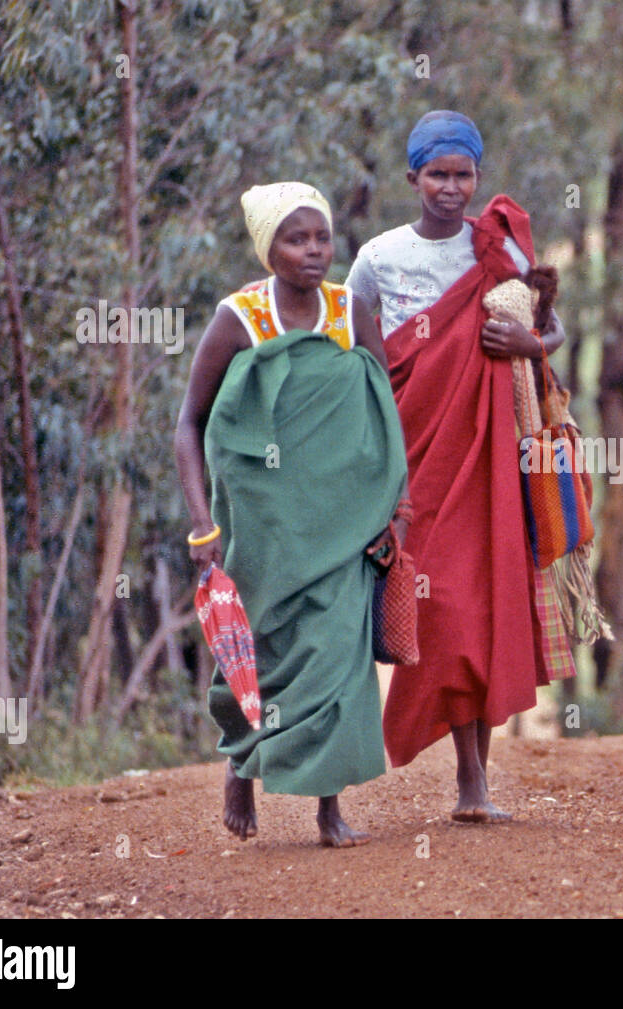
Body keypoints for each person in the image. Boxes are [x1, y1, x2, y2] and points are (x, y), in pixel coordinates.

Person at [345, 110, 575, 823]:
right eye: (437, 174)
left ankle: (473, 782)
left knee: (479, 608)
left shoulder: (495, 251)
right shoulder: (376, 259)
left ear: (479, 178)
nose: (451, 188)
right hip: (409, 458)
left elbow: (551, 329)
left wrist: (528, 344)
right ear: (412, 178)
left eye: (464, 175)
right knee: (433, 607)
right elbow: (365, 364)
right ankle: (453, 770)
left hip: (484, 459)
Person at [174, 182, 409, 846]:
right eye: (295, 238)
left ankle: (329, 810)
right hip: (260, 524)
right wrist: (201, 523)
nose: (313, 252)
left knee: (336, 655)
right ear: (266, 246)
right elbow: (188, 423)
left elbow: (382, 415)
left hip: (343, 522)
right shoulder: (240, 318)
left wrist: (398, 505)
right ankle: (242, 763)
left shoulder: (349, 310)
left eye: (321, 238)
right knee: (262, 652)